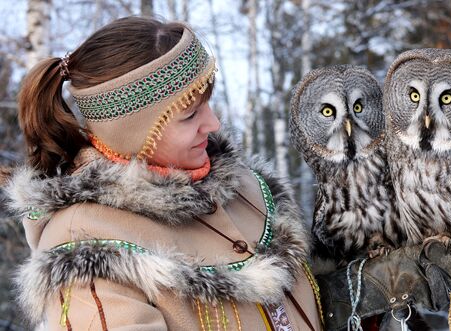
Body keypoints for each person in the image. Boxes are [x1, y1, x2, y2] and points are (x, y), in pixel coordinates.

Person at [6, 16, 322, 330]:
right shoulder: (86, 245)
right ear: (134, 132)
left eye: (208, 104)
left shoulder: (248, 187)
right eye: (189, 115)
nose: (213, 124)